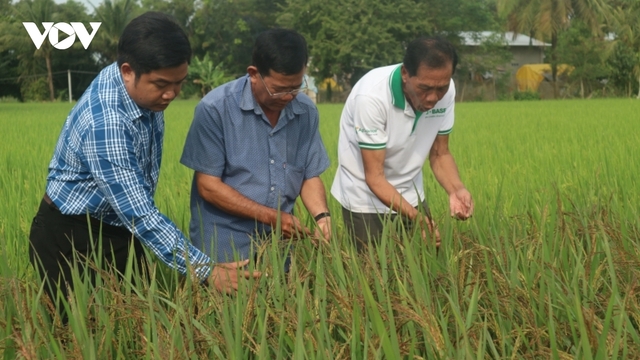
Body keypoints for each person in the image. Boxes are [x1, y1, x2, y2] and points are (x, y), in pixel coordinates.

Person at [28, 12, 258, 315]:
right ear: (127, 71)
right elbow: (138, 212)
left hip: (117, 228)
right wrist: (205, 270)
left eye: (179, 83)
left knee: (136, 322)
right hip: (71, 237)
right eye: (161, 83)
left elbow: (132, 213)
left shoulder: (141, 89)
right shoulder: (107, 122)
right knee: (86, 335)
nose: (171, 94)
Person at [180, 29, 331, 269]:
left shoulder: (305, 111)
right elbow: (208, 186)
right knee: (226, 306)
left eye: (295, 87)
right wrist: (273, 217)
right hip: (225, 241)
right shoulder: (215, 109)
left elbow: (308, 175)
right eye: (279, 89)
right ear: (253, 74)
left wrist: (322, 217)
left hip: (279, 243)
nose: (288, 97)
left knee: (281, 304)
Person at [330, 36, 474, 251]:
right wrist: (417, 217)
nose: (433, 98)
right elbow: (375, 177)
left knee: (424, 267)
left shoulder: (446, 90)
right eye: (425, 88)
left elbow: (440, 153)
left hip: (411, 192)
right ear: (406, 74)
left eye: (441, 88)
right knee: (374, 275)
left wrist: (456, 189)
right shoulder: (371, 97)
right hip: (365, 198)